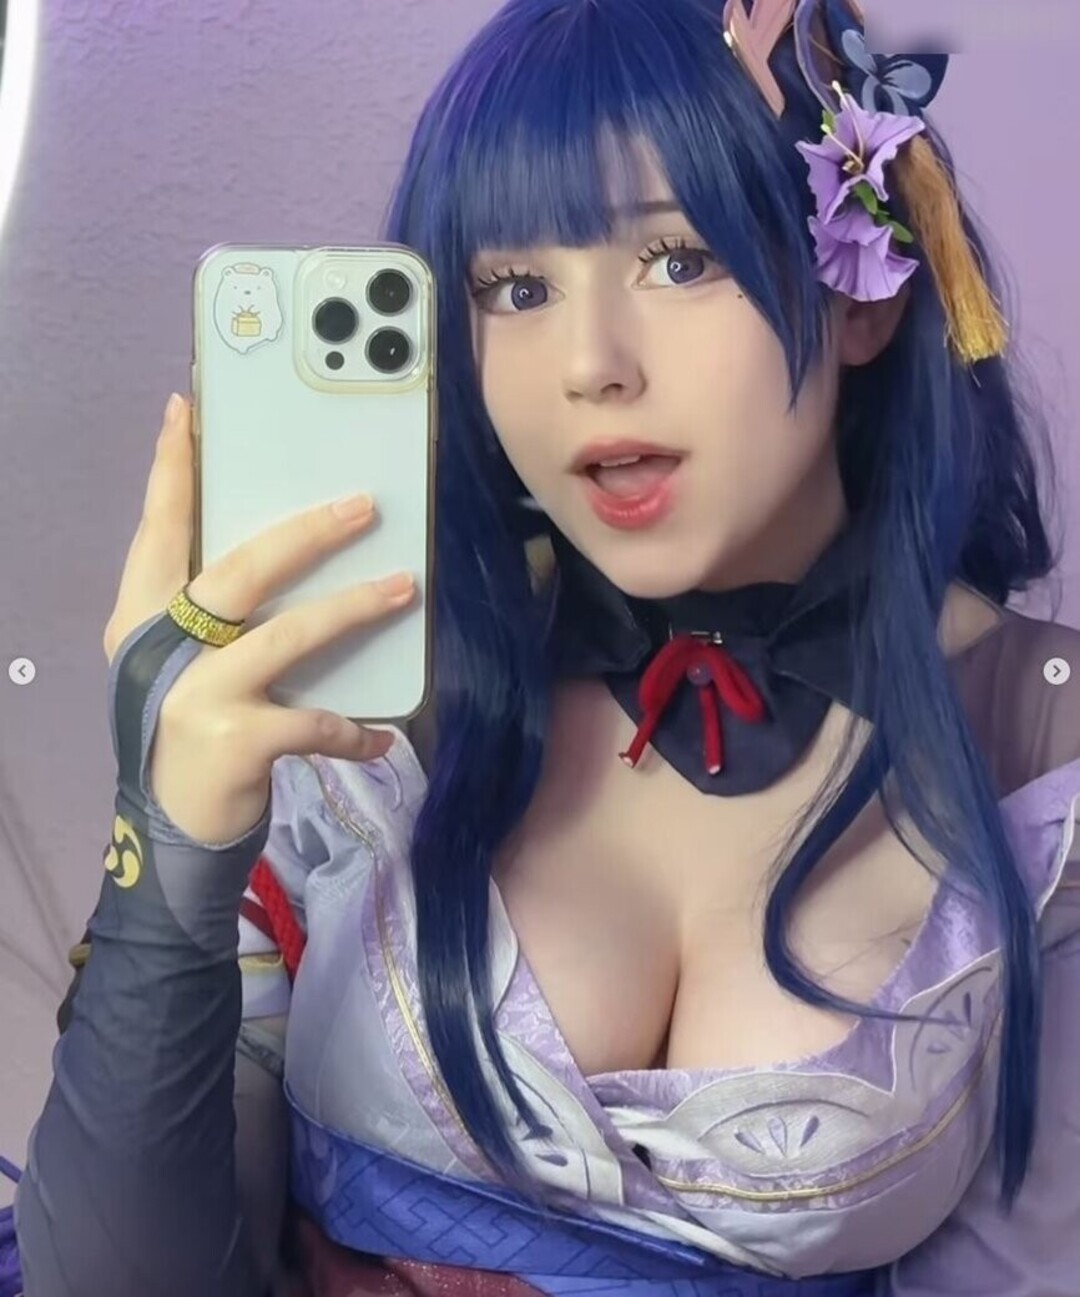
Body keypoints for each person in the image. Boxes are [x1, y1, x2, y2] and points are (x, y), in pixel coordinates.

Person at [11, 0, 1080, 1292]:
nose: (589, 364)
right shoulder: (362, 709)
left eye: (678, 259)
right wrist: (168, 845)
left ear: (864, 290)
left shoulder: (1044, 746)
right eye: (516, 289)